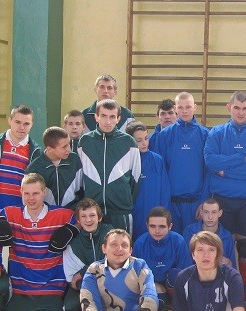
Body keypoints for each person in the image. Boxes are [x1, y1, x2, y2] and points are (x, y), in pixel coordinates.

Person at [0, 173, 75, 311]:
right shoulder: (11, 213)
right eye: (27, 193)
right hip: (22, 289)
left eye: (35, 193)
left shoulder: (61, 214)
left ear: (44, 192)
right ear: (21, 192)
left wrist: (73, 229)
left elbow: (84, 219)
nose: (31, 198)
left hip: (51, 289)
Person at [204, 90, 246, 300]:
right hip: (223, 199)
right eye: (237, 108)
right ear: (229, 107)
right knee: (220, 246)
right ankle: (221, 294)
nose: (241, 112)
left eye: (245, 108)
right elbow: (210, 161)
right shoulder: (216, 133)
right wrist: (242, 158)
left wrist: (226, 171)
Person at [78, 98, 141, 232]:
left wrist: (122, 199)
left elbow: (135, 178)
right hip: (92, 212)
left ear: (118, 119)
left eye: (112, 117)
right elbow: (80, 176)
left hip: (120, 211)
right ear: (96, 117)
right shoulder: (85, 141)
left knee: (121, 245)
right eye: (103, 116)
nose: (108, 121)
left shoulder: (129, 142)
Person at [150, 92, 209, 234]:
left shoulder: (205, 134)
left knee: (195, 242)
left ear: (195, 107)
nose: (184, 111)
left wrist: (204, 201)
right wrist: (163, 202)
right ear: (176, 109)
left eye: (188, 107)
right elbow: (159, 172)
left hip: (196, 202)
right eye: (181, 107)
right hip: (171, 203)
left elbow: (209, 171)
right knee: (172, 241)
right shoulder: (164, 135)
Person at [0, 104, 41, 215]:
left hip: (19, 210)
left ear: (31, 125)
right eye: (18, 122)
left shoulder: (35, 150)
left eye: (26, 124)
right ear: (9, 121)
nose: (22, 127)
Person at [63, 198, 113, 311]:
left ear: (99, 217)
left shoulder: (110, 234)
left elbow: (115, 262)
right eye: (83, 216)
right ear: (78, 220)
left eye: (92, 215)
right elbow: (72, 279)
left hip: (110, 283)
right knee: (70, 306)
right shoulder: (72, 242)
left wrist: (83, 271)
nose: (88, 220)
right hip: (83, 286)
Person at [133, 206, 189, 306]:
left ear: (170, 226)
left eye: (162, 226)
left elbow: (186, 272)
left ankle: (177, 306)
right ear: (147, 226)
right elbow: (136, 276)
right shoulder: (140, 244)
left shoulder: (178, 241)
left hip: (173, 286)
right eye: (152, 226)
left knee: (176, 274)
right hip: (153, 287)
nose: (157, 231)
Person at [127, 121, 170, 241]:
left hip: (155, 214)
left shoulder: (157, 160)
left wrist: (163, 214)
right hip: (135, 215)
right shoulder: (126, 161)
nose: (144, 143)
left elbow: (165, 191)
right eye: (139, 140)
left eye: (146, 138)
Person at [26, 126, 83, 210]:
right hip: (47, 215)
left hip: (72, 213)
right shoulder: (34, 168)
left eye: (69, 144)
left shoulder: (75, 161)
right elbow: (28, 199)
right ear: (50, 149)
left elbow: (82, 190)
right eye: (64, 147)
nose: (69, 149)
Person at [182, 197, 237, 269]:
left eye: (214, 212)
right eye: (206, 212)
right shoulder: (189, 231)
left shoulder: (227, 236)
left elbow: (232, 267)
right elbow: (185, 262)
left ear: (220, 213)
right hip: (195, 273)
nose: (210, 217)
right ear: (201, 213)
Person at [145, 98, 177, 164]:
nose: (167, 117)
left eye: (170, 113)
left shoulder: (184, 138)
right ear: (157, 117)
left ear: (177, 115)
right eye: (163, 114)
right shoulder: (149, 141)